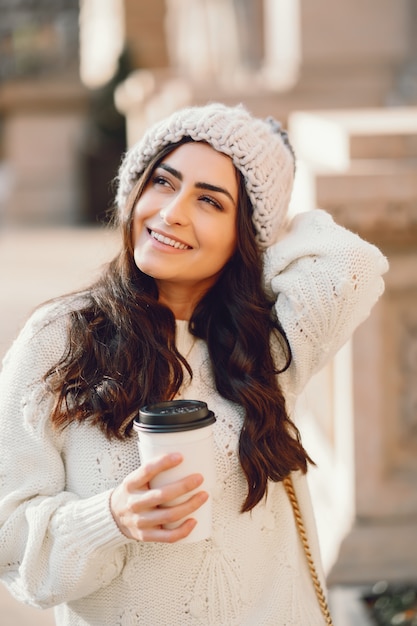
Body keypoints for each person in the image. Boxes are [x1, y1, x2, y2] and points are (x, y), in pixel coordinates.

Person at [0, 103, 388, 625]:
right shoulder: (59, 340)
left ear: (246, 234)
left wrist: (254, 248)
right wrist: (111, 518)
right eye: (163, 181)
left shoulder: (266, 345)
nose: (172, 212)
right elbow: (9, 538)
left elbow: (354, 266)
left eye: (210, 201)